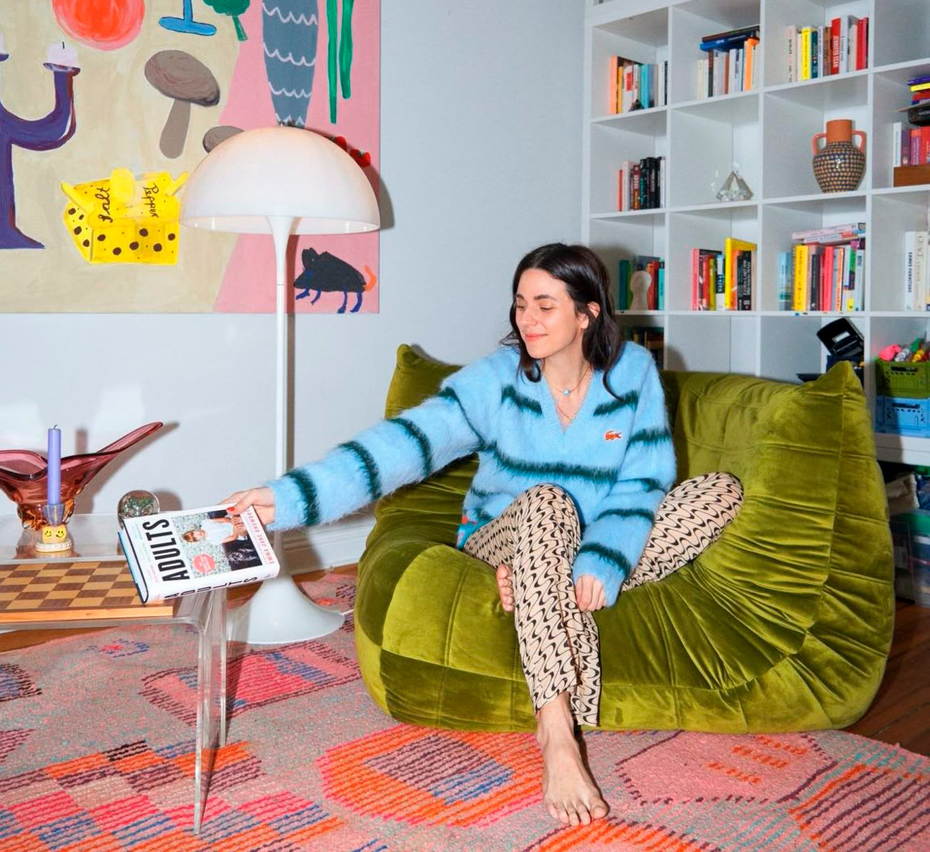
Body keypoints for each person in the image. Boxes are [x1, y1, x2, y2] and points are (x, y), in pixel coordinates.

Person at [223, 242, 739, 829]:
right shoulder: (499, 378)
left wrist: (605, 555)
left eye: (545, 305)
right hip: (500, 534)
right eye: (520, 303)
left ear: (587, 313)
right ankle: (556, 730)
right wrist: (288, 498)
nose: (527, 319)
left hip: (593, 534)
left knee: (719, 492)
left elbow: (644, 482)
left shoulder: (634, 373)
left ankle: (547, 581)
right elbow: (406, 443)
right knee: (547, 502)